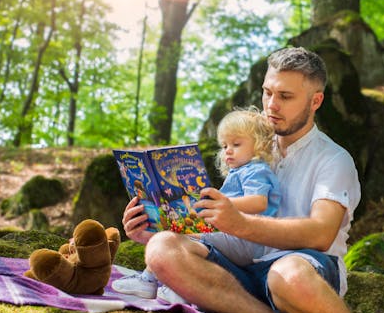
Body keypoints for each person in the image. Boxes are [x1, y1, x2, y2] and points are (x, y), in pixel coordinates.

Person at [122, 47, 360, 313]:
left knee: (289, 275)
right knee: (161, 248)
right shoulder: (249, 146)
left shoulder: (334, 159)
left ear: (315, 101)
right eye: (268, 92)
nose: (271, 104)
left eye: (285, 96)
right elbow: (220, 227)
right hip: (239, 272)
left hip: (303, 270)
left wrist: (238, 222)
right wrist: (154, 226)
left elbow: (321, 233)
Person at [112, 107, 281, 300]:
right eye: (224, 146)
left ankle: (151, 281)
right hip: (234, 237)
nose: (228, 151)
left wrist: (221, 203)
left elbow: (259, 202)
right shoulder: (241, 171)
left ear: (259, 145)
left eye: (236, 144)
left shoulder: (256, 170)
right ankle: (166, 283)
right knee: (176, 236)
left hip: (245, 241)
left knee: (182, 238)